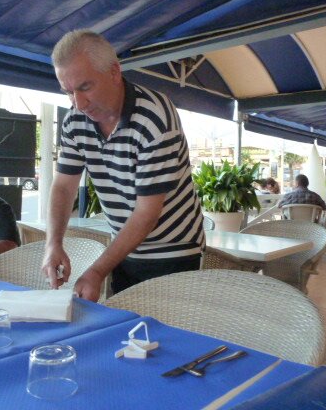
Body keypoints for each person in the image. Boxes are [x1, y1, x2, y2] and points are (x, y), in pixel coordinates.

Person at [42, 29, 204, 302]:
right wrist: (53, 244)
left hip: (173, 248)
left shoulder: (154, 116)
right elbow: (63, 187)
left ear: (115, 72)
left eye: (85, 87)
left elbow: (146, 213)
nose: (78, 103)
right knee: (125, 326)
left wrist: (96, 271)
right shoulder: (74, 121)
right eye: (68, 92)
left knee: (167, 327)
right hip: (124, 247)